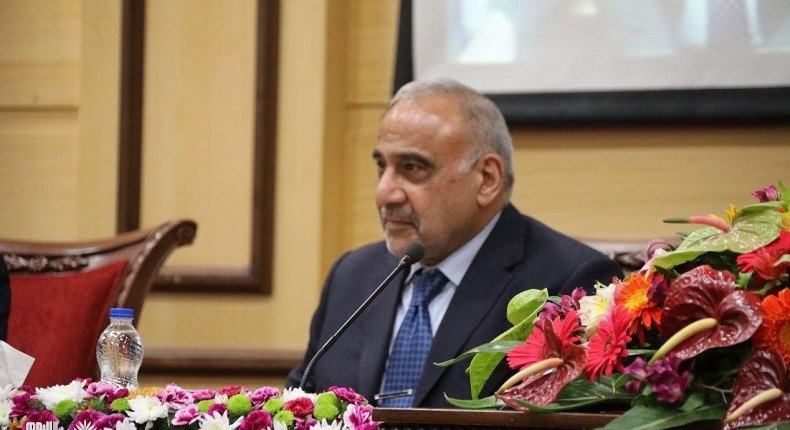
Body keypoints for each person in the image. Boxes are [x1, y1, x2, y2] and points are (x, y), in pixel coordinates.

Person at [286, 78, 623, 408]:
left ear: (486, 179)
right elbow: (302, 402)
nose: (385, 193)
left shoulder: (569, 283)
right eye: (381, 166)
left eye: (412, 168)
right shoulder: (351, 276)